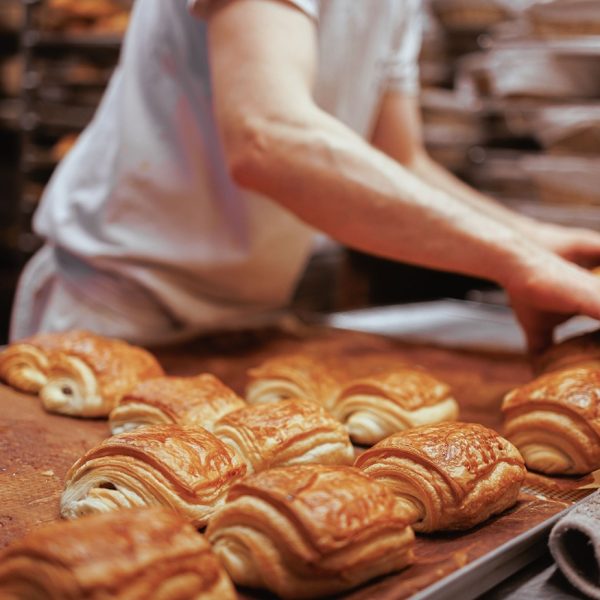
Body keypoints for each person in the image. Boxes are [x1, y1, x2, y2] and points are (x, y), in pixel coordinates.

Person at [10, 0, 600, 353]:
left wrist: (535, 242)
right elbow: (267, 138)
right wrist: (513, 262)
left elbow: (399, 160)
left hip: (245, 316)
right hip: (113, 308)